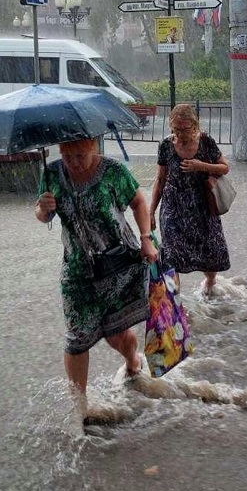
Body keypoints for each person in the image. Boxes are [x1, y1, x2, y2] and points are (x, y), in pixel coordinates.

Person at [34, 137, 157, 416]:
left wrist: (146, 238)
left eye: (81, 156)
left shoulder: (113, 171)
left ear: (93, 148)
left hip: (118, 264)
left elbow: (139, 201)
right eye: (68, 157)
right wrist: (43, 208)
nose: (74, 163)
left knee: (117, 336)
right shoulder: (51, 173)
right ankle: (80, 407)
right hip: (77, 270)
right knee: (76, 338)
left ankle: (132, 361)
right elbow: (43, 216)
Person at [150, 104, 231, 296]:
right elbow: (160, 180)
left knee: (211, 249)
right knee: (171, 253)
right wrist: (151, 211)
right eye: (177, 129)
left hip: (201, 203)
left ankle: (210, 284)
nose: (181, 134)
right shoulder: (166, 146)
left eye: (186, 129)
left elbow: (225, 168)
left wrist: (201, 165)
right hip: (173, 204)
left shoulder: (206, 142)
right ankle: (174, 299)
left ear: (194, 126)